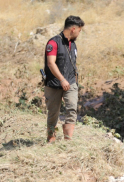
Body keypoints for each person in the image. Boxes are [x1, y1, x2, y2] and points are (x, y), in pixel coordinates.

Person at [44, 15, 85, 143]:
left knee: (72, 108)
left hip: (71, 82)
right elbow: (51, 63)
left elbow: (73, 63)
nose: (79, 33)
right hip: (54, 84)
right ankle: (51, 137)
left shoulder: (73, 45)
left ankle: (68, 139)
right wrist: (62, 79)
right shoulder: (53, 43)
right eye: (79, 30)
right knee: (53, 113)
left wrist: (74, 80)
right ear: (73, 29)